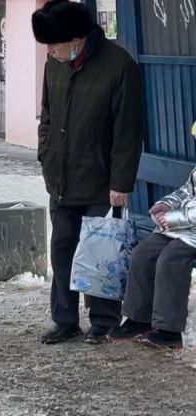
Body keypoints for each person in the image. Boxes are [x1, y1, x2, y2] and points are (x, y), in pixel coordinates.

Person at [32, 0, 144, 344]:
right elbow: (47, 116)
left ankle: (104, 321)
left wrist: (121, 183)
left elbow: (128, 131)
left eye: (54, 44)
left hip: (101, 180)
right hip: (62, 177)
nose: (49, 51)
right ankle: (65, 320)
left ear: (77, 39)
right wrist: (45, 153)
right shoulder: (55, 66)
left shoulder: (119, 66)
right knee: (62, 249)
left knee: (101, 253)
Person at [107, 122, 196, 351]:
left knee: (171, 260)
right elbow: (185, 191)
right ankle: (139, 318)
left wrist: (174, 219)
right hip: (180, 228)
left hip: (189, 233)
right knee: (143, 253)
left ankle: (169, 330)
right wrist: (165, 204)